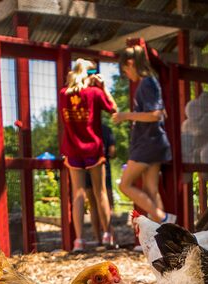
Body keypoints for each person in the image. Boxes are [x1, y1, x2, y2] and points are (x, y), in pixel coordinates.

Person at [59, 59, 118, 252]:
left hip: (72, 149)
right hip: (93, 148)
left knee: (78, 194)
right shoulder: (94, 93)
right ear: (87, 73)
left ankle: (79, 241)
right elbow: (114, 110)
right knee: (101, 192)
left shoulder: (63, 94)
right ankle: (108, 235)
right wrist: (103, 86)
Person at [113, 44, 175, 225]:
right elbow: (162, 113)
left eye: (125, 70)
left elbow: (155, 115)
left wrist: (126, 116)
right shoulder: (150, 82)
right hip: (155, 142)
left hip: (148, 144)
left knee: (124, 185)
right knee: (150, 190)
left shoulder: (146, 82)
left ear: (131, 63)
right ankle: (164, 232)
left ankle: (163, 219)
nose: (127, 75)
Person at [85, 122, 116, 244]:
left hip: (86, 167)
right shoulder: (106, 129)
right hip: (103, 169)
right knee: (107, 203)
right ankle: (109, 236)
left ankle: (98, 239)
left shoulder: (83, 129)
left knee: (93, 205)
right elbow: (112, 152)